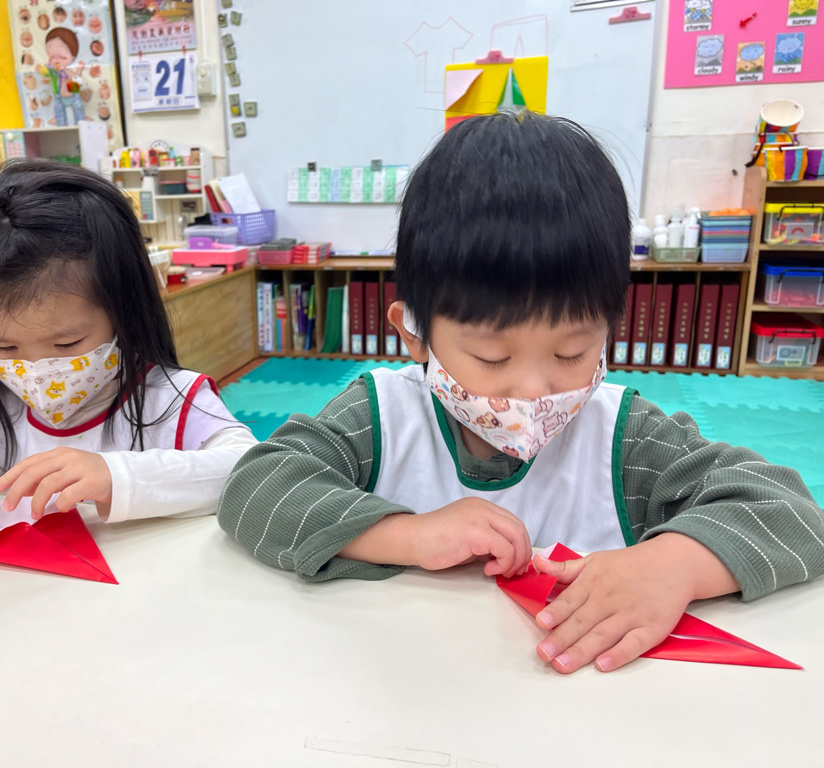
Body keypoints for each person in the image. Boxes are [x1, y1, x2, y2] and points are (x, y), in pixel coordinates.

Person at [218, 112, 824, 674]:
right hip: (408, 690)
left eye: (571, 353)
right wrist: (406, 535)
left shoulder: (625, 439)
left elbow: (792, 513)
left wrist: (676, 564)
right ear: (415, 334)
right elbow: (257, 486)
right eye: (492, 357)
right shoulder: (381, 418)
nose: (533, 391)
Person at [0, 160, 255, 531]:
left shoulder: (172, 401)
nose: (37, 369)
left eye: (67, 342)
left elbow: (250, 467)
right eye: (4, 348)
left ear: (124, 312)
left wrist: (116, 476)